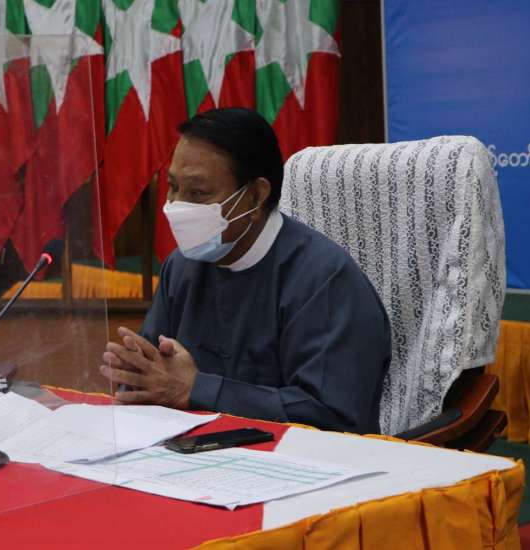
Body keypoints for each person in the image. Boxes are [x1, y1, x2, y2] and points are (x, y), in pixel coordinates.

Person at [100, 108, 391, 434]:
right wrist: (135, 380)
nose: (177, 205)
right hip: (193, 451)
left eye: (197, 193)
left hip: (301, 459)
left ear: (255, 196)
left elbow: (332, 415)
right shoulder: (181, 267)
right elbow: (156, 378)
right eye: (172, 187)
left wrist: (196, 389)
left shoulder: (324, 279)